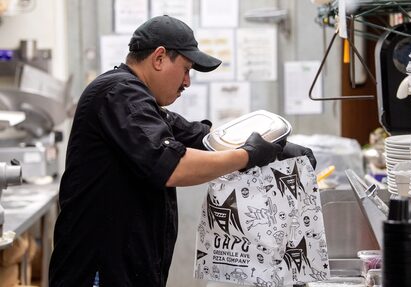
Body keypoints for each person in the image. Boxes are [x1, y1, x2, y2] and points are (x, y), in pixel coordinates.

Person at [48, 15, 316, 287]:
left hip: (126, 270)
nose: (187, 82)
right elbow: (173, 166)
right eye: (186, 69)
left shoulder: (142, 105)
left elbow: (205, 139)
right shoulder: (119, 93)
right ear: (159, 58)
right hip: (98, 273)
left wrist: (276, 148)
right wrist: (247, 156)